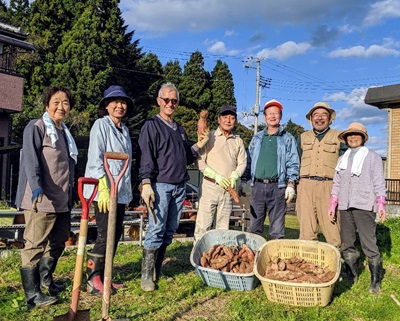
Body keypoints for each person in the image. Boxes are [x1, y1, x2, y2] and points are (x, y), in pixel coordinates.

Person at [138, 82, 209, 291]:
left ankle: (156, 270)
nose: (170, 103)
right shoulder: (151, 125)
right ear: (159, 101)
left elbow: (186, 155)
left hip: (179, 186)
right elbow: (146, 156)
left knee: (169, 230)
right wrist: (145, 182)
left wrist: (199, 145)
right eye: (166, 100)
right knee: (156, 228)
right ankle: (146, 277)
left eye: (174, 100)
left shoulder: (180, 129)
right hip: (160, 185)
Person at [15, 85, 78, 308]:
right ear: (47, 104)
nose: (61, 106)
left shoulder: (64, 133)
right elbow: (31, 160)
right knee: (34, 245)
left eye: (66, 103)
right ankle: (32, 295)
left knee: (59, 241)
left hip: (61, 200)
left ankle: (45, 279)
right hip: (40, 199)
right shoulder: (37, 127)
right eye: (57, 102)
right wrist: (36, 187)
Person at [83, 85, 133, 295]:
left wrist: (126, 192)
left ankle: (106, 276)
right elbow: (96, 156)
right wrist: (102, 185)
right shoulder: (100, 125)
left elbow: (126, 164)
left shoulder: (125, 129)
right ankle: (92, 280)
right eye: (115, 102)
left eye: (123, 103)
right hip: (104, 190)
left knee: (116, 233)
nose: (119, 106)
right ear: (106, 105)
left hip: (119, 190)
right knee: (104, 235)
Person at [328, 122, 386, 294]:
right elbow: (337, 183)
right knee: (347, 242)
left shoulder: (372, 157)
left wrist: (381, 203)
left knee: (368, 242)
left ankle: (375, 280)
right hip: (345, 205)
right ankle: (351, 274)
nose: (353, 137)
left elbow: (378, 181)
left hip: (364, 204)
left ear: (363, 138)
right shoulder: (342, 158)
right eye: (350, 135)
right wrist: (333, 204)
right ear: (346, 138)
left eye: (357, 135)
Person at [241, 99, 299, 239]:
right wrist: (243, 180)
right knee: (254, 227)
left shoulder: (287, 138)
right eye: (269, 114)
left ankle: (274, 258)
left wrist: (291, 184)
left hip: (278, 187)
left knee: (277, 230)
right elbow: (248, 161)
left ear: (280, 116)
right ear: (265, 117)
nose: (272, 116)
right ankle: (254, 256)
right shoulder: (257, 138)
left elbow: (293, 162)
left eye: (276, 113)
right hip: (257, 187)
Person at [296, 102, 346, 248]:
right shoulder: (302, 137)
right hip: (305, 185)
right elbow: (295, 161)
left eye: (324, 115)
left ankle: (335, 262)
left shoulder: (339, 137)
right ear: (311, 119)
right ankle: (308, 264)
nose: (319, 118)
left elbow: (345, 164)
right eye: (316, 115)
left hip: (329, 185)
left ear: (330, 119)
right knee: (306, 227)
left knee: (332, 226)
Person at [194, 105, 247, 242]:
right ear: (219, 120)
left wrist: (236, 175)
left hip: (228, 190)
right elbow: (200, 162)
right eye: (225, 117)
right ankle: (197, 257)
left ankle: (218, 257)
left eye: (232, 118)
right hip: (210, 187)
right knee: (203, 225)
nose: (228, 120)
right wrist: (215, 175)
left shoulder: (238, 141)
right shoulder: (209, 136)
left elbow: (242, 163)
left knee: (223, 227)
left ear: (235, 121)